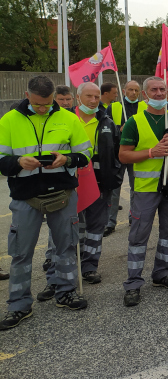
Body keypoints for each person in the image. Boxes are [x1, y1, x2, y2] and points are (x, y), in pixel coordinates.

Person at [0, 76, 92, 330]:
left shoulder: (68, 118)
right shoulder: (8, 121)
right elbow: (0, 160)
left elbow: (86, 154)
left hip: (62, 193)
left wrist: (68, 159)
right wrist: (18, 162)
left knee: (66, 246)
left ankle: (66, 292)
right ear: (27, 95)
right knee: (21, 253)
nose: (44, 108)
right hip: (25, 196)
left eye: (48, 103)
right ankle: (18, 304)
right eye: (39, 104)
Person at [40, 81, 121, 300]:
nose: (93, 101)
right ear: (78, 97)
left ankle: (89, 267)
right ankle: (55, 276)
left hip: (99, 183)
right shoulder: (65, 120)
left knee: (95, 227)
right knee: (63, 231)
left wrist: (114, 177)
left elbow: (116, 152)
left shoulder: (106, 121)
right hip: (70, 181)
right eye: (89, 96)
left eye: (96, 97)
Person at [119, 76, 168, 307]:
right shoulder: (135, 121)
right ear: (145, 95)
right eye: (154, 90)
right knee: (139, 235)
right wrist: (151, 152)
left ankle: (161, 274)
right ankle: (133, 283)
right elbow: (123, 155)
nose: (160, 93)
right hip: (145, 189)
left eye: (163, 89)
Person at [105, 80, 148, 237]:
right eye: (130, 89)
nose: (133, 93)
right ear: (124, 91)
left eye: (136, 90)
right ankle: (110, 222)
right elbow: (106, 129)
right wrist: (119, 129)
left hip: (137, 153)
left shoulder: (145, 107)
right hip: (118, 154)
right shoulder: (114, 107)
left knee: (135, 187)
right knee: (115, 189)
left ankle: (133, 217)